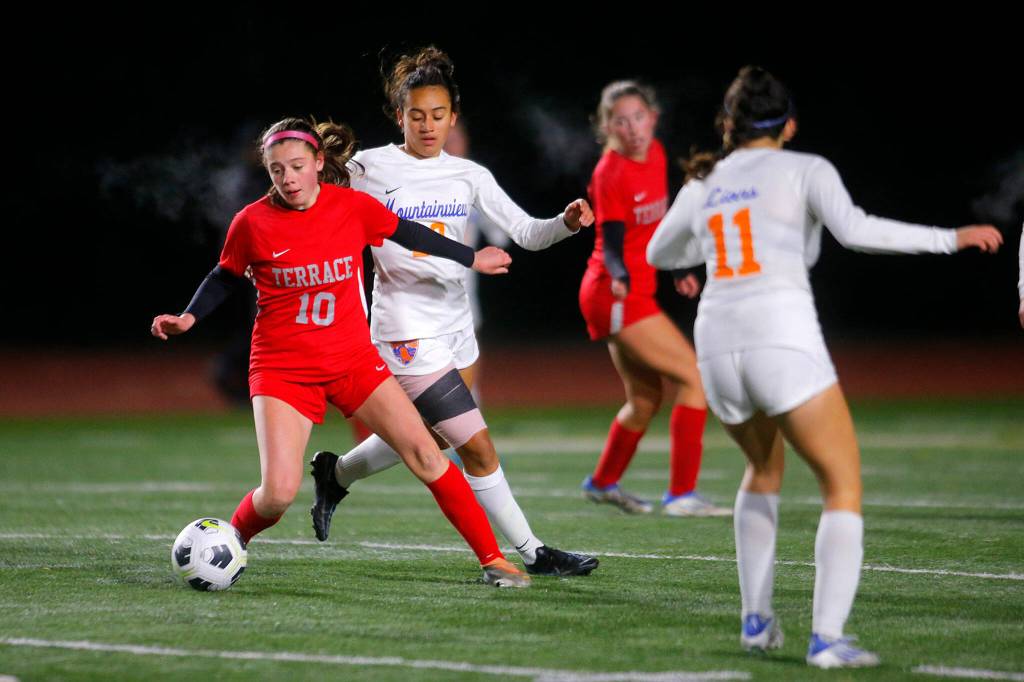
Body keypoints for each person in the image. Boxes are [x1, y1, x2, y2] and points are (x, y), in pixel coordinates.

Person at [647, 66, 1003, 668]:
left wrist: (699, 251)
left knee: (761, 469)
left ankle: (756, 622)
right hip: (779, 334)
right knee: (842, 484)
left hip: (716, 343)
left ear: (729, 126)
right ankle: (828, 639)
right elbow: (857, 231)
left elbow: (660, 252)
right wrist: (950, 238)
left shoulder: (706, 178)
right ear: (787, 125)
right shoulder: (805, 167)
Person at [151, 116, 533, 588]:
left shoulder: (351, 207)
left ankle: (492, 560)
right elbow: (225, 274)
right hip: (282, 369)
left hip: (352, 360)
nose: (287, 178)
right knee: (277, 495)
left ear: (318, 163)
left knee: (427, 453)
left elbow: (410, 234)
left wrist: (472, 257)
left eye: (296, 166)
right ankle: (233, 540)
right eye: (276, 170)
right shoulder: (251, 221)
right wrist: (189, 316)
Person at [309, 46, 599, 578]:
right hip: (405, 331)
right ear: (399, 115)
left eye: (438, 115)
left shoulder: (468, 174)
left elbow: (528, 233)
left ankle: (337, 474)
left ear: (453, 117)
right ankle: (533, 552)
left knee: (433, 437)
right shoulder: (368, 168)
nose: (427, 125)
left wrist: (567, 222)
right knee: (479, 448)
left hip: (457, 328)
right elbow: (310, 194)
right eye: (416, 115)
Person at [578, 81, 728, 517]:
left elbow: (659, 227)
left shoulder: (657, 154)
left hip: (630, 291)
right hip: (614, 292)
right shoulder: (610, 171)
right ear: (607, 127)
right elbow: (611, 240)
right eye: (621, 121)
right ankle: (682, 494)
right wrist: (622, 275)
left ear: (653, 118)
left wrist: (679, 266)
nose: (632, 128)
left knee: (644, 401)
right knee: (694, 379)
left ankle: (603, 482)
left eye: (638, 117)